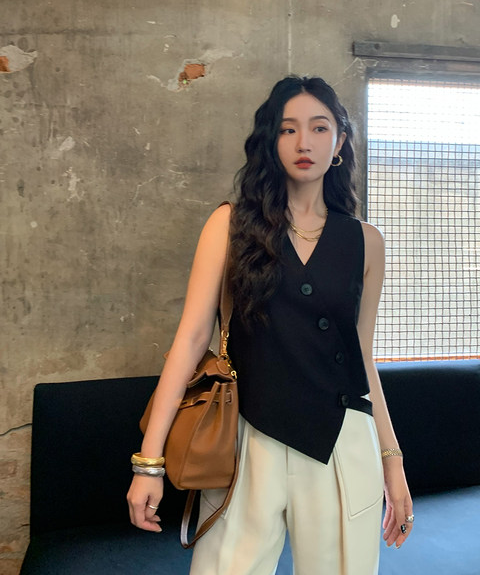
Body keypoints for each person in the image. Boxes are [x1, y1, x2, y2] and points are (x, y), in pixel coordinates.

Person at [127, 76, 413, 575]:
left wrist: (393, 460)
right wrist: (148, 462)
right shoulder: (230, 224)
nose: (304, 142)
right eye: (288, 129)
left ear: (339, 142)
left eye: (319, 128)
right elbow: (191, 340)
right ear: (271, 140)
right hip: (247, 436)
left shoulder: (366, 241)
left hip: (341, 440)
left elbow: (363, 358)